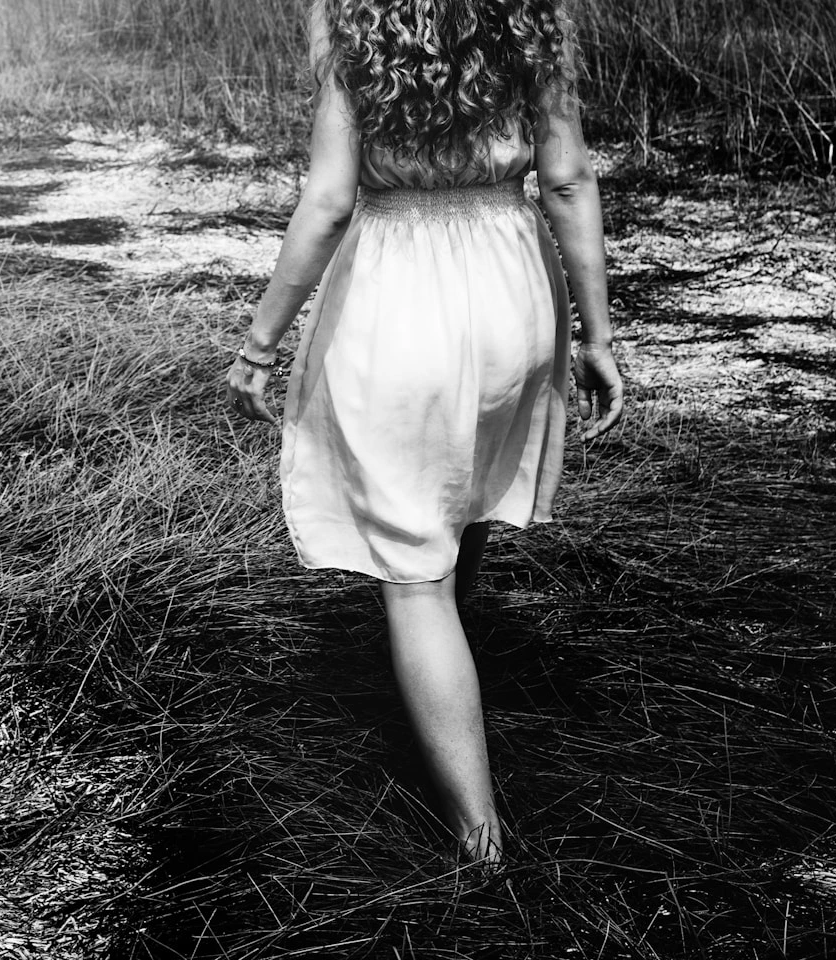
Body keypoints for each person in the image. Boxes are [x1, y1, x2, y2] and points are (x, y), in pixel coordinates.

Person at [224, 0, 625, 866]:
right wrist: (597, 336)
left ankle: (480, 844)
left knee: (413, 575)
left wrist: (261, 343)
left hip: (400, 291)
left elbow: (331, 198)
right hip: (514, 289)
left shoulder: (342, 12)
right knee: (465, 492)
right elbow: (566, 179)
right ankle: (445, 675)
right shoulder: (536, 9)